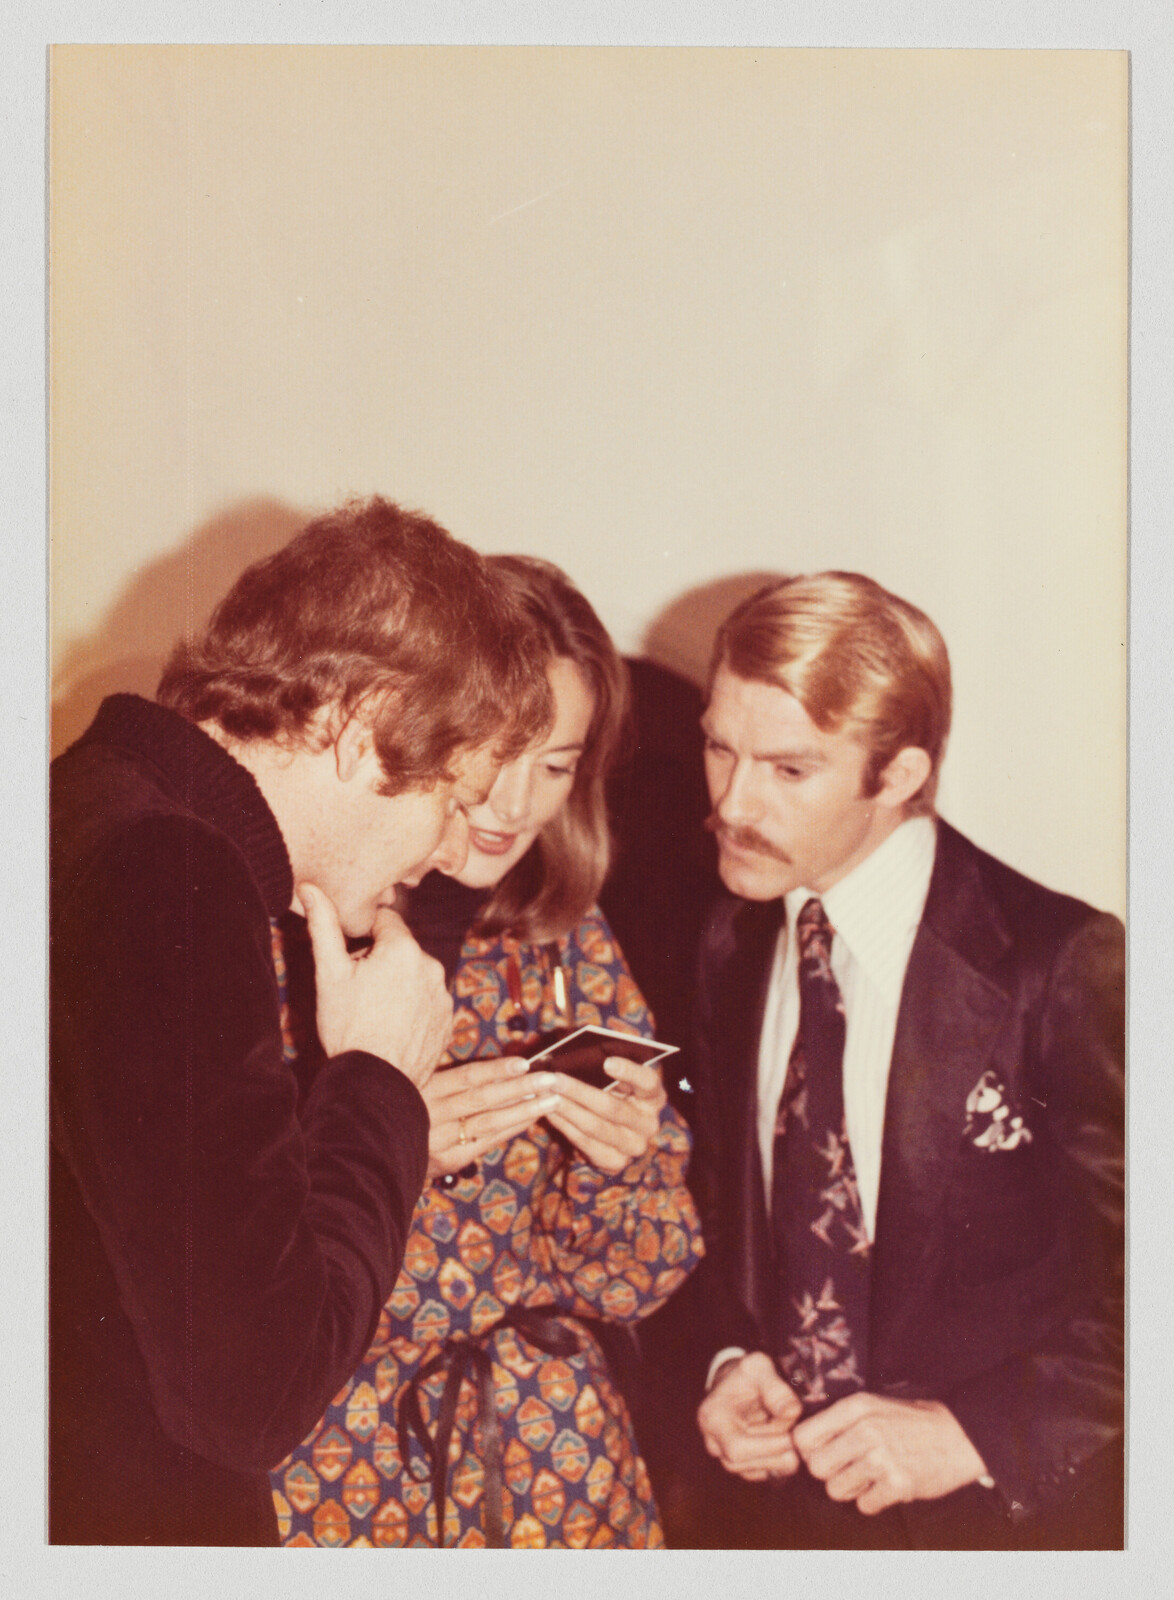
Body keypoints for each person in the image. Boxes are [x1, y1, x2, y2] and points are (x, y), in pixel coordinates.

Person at [49, 496, 553, 1545]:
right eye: (455, 798)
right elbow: (254, 1395)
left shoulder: (90, 799)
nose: (449, 849)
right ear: (359, 727)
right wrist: (377, 1082)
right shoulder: (174, 875)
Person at [271, 556, 704, 1549]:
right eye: (498, 753)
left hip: (559, 1466)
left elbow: (642, 1277)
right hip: (338, 1469)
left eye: (556, 766)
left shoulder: (563, 935)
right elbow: (214, 1266)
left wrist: (614, 1168)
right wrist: (381, 1143)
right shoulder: (283, 931)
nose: (513, 805)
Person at [688, 572, 1124, 1550]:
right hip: (779, 1524)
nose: (732, 802)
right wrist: (729, 1353)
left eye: (788, 769)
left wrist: (974, 1434)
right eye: (720, 747)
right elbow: (724, 1197)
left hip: (1001, 1535)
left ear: (898, 776)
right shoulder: (733, 936)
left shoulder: (1060, 963)